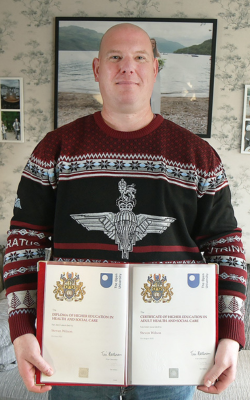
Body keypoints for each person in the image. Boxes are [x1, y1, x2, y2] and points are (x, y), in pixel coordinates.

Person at [3, 23, 246, 400]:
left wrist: (231, 333)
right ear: (97, 70)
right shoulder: (55, 149)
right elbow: (24, 242)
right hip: (74, 344)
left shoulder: (197, 155)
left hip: (170, 347)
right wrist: (22, 330)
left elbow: (225, 246)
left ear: (155, 69)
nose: (126, 67)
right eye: (115, 57)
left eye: (139, 58)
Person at [150, 38, 162, 114]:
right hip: (148, 75)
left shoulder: (157, 54)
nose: (152, 45)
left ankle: (155, 111)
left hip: (156, 75)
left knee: (155, 93)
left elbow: (160, 64)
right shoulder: (145, 53)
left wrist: (159, 68)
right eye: (150, 43)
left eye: (153, 43)